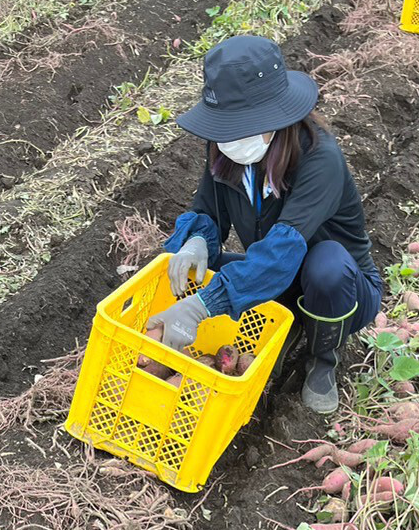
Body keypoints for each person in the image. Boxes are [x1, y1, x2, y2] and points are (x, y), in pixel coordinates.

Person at [147, 35, 382, 416]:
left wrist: (202, 305)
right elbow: (208, 211)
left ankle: (323, 359)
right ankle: (283, 324)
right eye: (224, 127)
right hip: (278, 277)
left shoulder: (320, 159)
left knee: (327, 266)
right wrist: (196, 242)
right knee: (194, 268)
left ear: (275, 118)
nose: (228, 138)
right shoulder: (225, 146)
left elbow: (282, 251)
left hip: (343, 289)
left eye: (239, 126)